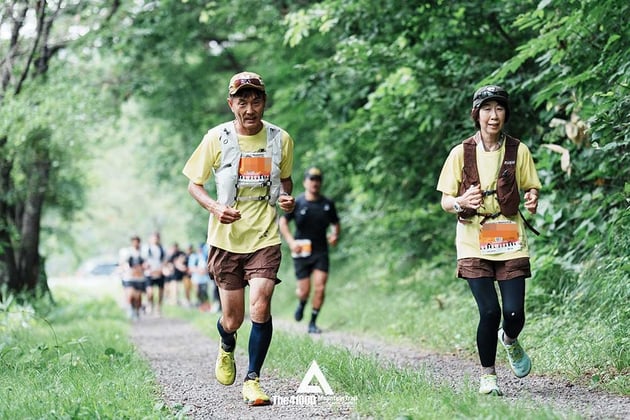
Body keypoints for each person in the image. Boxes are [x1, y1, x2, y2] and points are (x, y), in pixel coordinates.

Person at [182, 71, 295, 406]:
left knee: (261, 304)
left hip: (264, 236)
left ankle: (253, 379)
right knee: (233, 318)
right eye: (242, 101)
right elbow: (194, 184)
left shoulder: (280, 139)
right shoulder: (217, 138)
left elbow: (285, 182)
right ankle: (226, 345)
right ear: (231, 104)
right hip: (226, 239)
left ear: (264, 101)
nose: (250, 108)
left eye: (256, 99)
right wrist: (216, 208)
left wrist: (287, 198)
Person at [437, 85, 542, 396]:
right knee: (489, 312)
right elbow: (445, 201)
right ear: (476, 115)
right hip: (472, 238)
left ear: (505, 114)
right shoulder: (461, 152)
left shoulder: (518, 151)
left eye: (498, 109)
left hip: (509, 236)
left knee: (513, 313)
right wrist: (460, 201)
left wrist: (532, 198)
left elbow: (530, 188)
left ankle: (509, 340)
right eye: (486, 109)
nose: (493, 115)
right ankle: (488, 376)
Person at [279, 167, 340, 334]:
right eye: (311, 179)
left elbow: (335, 224)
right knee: (304, 290)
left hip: (321, 251)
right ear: (305, 182)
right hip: (302, 251)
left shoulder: (328, 204)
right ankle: (302, 303)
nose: (315, 182)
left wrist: (335, 235)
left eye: (318, 179)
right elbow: (283, 222)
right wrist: (291, 242)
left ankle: (312, 322)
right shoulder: (297, 203)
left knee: (320, 287)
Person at [119, 235, 146, 321]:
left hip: (139, 277)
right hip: (129, 277)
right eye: (134, 241)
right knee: (130, 295)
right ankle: (131, 309)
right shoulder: (127, 252)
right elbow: (122, 263)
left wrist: (141, 268)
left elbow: (146, 264)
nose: (135, 243)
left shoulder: (143, 252)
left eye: (137, 241)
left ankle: (137, 311)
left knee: (138, 297)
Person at [144, 231, 166, 316]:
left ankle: (158, 308)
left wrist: (161, 269)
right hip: (149, 273)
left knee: (160, 292)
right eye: (153, 237)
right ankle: (150, 304)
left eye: (156, 238)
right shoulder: (146, 249)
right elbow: (144, 261)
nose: (155, 239)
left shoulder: (162, 249)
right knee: (150, 292)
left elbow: (165, 261)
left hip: (160, 272)